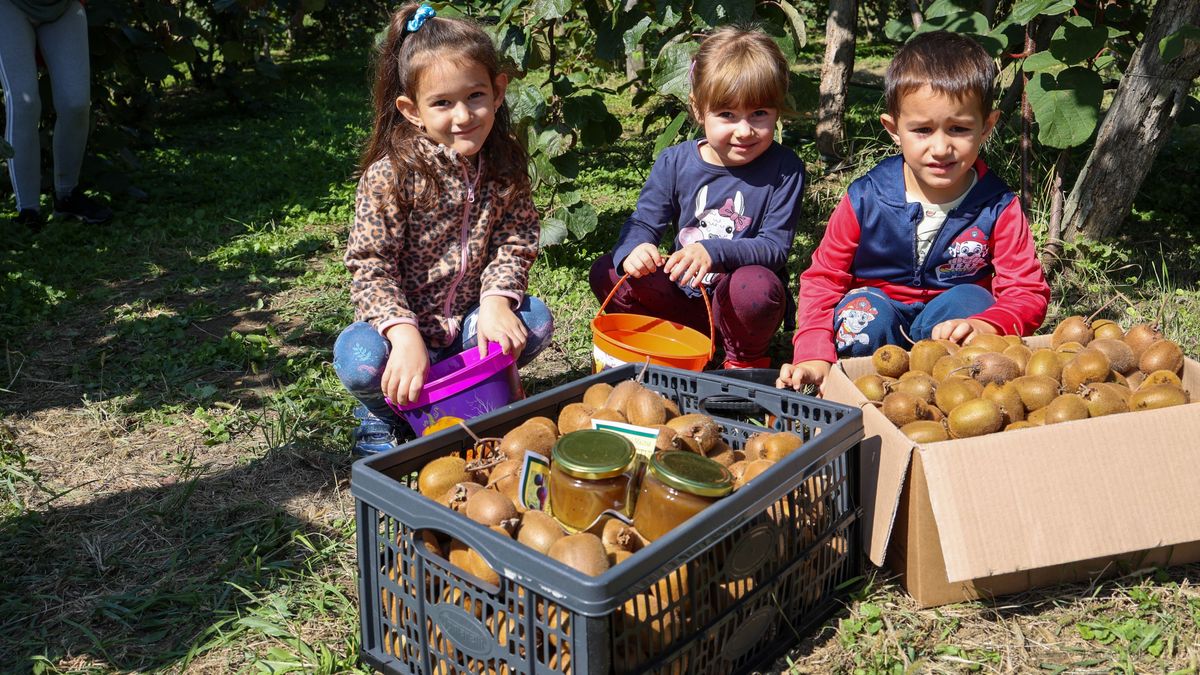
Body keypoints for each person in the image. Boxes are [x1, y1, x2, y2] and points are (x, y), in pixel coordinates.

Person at [333, 4, 553, 455]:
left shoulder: (505, 165)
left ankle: (464, 384)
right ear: (412, 111)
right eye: (442, 103)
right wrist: (403, 334)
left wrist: (494, 302)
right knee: (359, 359)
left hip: (469, 324)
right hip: (403, 335)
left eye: (475, 96)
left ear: (498, 91)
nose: (463, 116)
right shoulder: (392, 175)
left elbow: (516, 240)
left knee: (534, 321)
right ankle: (382, 412)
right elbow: (370, 265)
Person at [778, 30, 1050, 393]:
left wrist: (990, 325)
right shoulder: (865, 198)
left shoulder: (998, 206)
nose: (941, 147)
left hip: (946, 330)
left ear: (986, 127)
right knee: (864, 315)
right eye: (922, 130)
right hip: (876, 323)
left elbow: (1026, 292)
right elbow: (824, 279)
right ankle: (855, 391)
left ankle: (943, 396)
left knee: (973, 300)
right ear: (894, 130)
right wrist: (812, 352)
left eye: (959, 129)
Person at [588, 26, 805, 371]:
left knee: (757, 285)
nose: (745, 130)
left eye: (759, 113)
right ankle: (661, 336)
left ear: (777, 109)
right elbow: (644, 222)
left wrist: (712, 251)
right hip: (681, 297)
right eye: (727, 115)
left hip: (734, 305)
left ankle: (742, 360)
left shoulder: (785, 168)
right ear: (698, 109)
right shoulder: (675, 162)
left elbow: (774, 247)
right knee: (608, 270)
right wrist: (637, 249)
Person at [0, 0, 113, 230]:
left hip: (63, 6)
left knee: (76, 103)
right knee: (24, 103)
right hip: (8, 6)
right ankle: (28, 210)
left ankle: (67, 196)